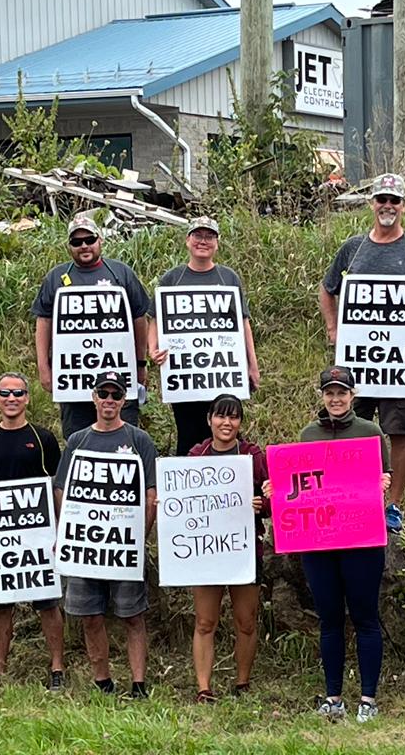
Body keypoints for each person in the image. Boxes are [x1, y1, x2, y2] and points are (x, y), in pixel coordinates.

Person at [318, 173, 405, 507]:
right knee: (347, 429)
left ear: (404, 206)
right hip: (356, 363)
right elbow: (327, 290)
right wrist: (333, 331)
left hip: (400, 365)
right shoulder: (353, 248)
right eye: (381, 199)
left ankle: (392, 506)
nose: (387, 206)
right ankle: (352, 499)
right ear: (372, 204)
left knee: (400, 433)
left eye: (394, 200)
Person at [263, 366, 392, 723]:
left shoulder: (371, 433)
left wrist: (382, 485)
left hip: (361, 541)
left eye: (342, 392)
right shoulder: (307, 435)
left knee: (366, 618)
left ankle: (368, 698)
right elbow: (296, 486)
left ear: (353, 395)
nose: (336, 399)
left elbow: (384, 479)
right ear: (322, 396)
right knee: (329, 620)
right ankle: (333, 697)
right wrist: (277, 491)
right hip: (318, 543)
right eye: (330, 392)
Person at [54, 372, 158, 698]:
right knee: (90, 616)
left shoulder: (140, 440)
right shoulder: (77, 441)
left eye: (116, 394)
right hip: (85, 547)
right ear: (94, 397)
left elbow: (151, 493)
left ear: (124, 400)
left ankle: (139, 684)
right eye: (104, 393)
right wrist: (67, 531)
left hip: (125, 547)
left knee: (133, 616)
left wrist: (140, 536)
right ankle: (103, 682)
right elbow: (61, 490)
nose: (110, 399)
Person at [0, 372, 64, 690]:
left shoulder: (43, 438)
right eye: (5, 393)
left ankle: (57, 667)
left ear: (28, 398)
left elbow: (56, 489)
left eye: (18, 392)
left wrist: (62, 531)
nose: (11, 398)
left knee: (47, 602)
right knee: (0, 604)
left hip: (39, 535)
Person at [148, 216, 261, 455]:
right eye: (198, 236)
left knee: (227, 429)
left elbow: (243, 323)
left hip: (224, 374)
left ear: (217, 244)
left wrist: (253, 365)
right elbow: (156, 319)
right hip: (185, 377)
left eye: (209, 237)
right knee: (188, 433)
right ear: (187, 241)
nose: (203, 241)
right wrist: (152, 349)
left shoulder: (228, 278)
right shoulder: (172, 279)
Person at [32, 214, 151, 438]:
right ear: (69, 246)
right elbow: (44, 320)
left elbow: (139, 318)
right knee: (77, 438)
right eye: (76, 242)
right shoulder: (56, 277)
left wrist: (140, 364)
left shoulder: (121, 273)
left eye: (89, 239)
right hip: (74, 380)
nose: (84, 245)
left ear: (100, 240)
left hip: (118, 377)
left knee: (124, 438)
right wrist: (43, 367)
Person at [186, 394, 269, 702]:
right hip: (206, 551)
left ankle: (242, 683)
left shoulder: (253, 455)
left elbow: (272, 500)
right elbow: (184, 502)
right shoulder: (196, 455)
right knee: (205, 621)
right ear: (209, 419)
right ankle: (204, 688)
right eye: (221, 416)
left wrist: (262, 504)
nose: (226, 423)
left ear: (240, 423)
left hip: (245, 550)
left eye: (233, 417)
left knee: (246, 621)